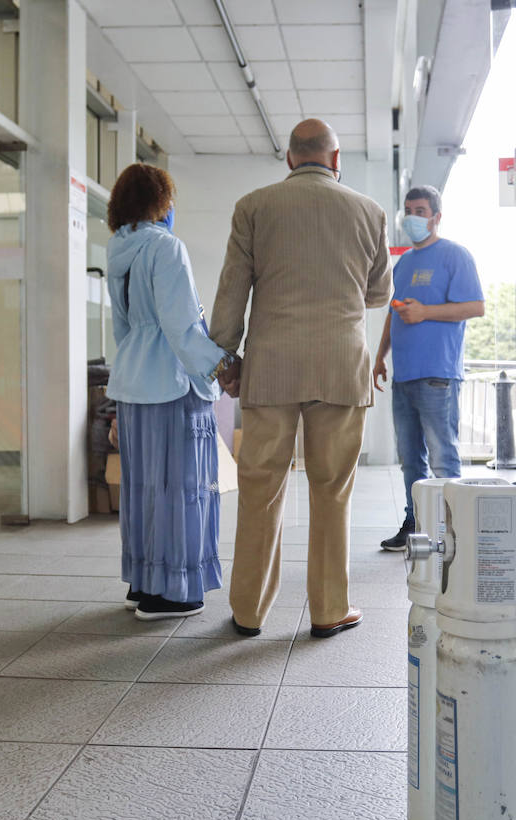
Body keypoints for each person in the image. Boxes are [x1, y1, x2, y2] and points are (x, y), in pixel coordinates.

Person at [210, 119, 391, 639]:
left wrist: (226, 360)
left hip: (271, 368)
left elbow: (231, 293)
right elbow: (378, 293)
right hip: (341, 366)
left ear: (289, 159)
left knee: (260, 489)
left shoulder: (254, 207)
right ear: (336, 160)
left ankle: (248, 611)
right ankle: (329, 609)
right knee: (332, 491)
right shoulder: (369, 211)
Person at [106, 163, 233, 620]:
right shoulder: (167, 248)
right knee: (184, 488)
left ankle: (145, 582)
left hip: (133, 384)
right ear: (161, 201)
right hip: (173, 388)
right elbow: (182, 329)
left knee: (143, 489)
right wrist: (223, 366)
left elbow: (123, 329)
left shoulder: (118, 250)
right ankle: (175, 592)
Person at [373, 185, 484, 550]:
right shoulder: (403, 263)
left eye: (421, 210)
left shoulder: (455, 255)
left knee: (442, 457)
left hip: (438, 375)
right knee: (410, 461)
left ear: (437, 216)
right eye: (408, 210)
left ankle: (456, 531)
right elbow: (394, 311)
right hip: (403, 375)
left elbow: (474, 307)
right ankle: (415, 524)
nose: (413, 217)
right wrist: (379, 356)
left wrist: (425, 313)